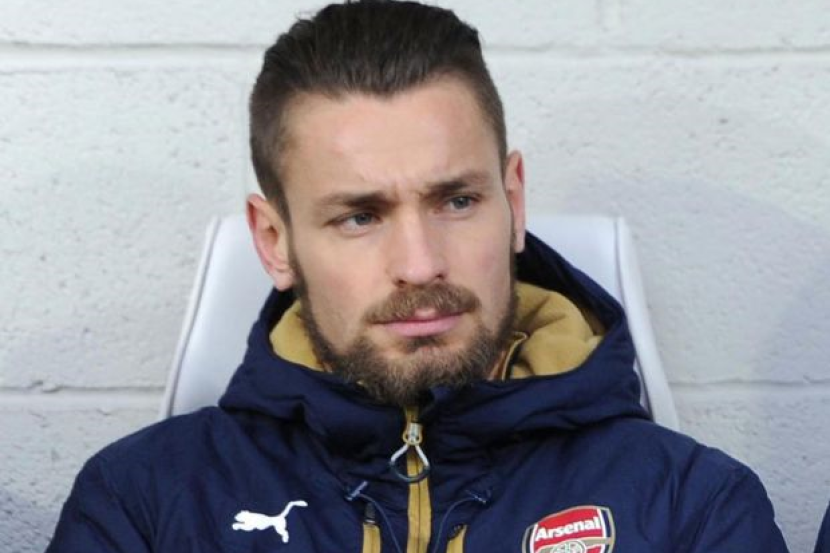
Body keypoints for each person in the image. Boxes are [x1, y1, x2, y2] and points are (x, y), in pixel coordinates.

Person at [47, 1, 790, 552]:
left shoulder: (691, 507)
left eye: (457, 201)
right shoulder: (143, 505)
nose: (419, 263)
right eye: (359, 216)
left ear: (514, 202)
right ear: (274, 242)